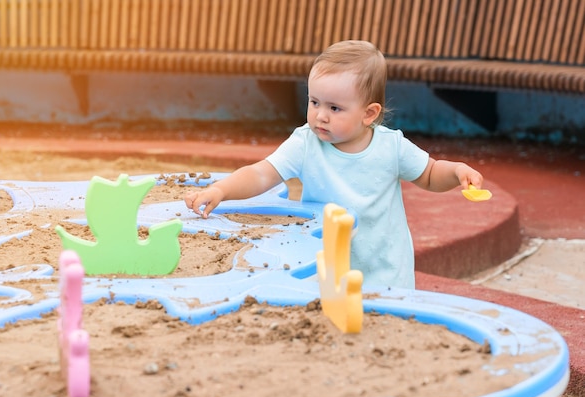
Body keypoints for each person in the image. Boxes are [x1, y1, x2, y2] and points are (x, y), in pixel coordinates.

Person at [184, 40, 485, 289]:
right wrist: (222, 189)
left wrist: (457, 171)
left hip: (384, 269)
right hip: (323, 266)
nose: (320, 115)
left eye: (334, 108)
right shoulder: (305, 143)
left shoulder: (391, 146)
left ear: (369, 114)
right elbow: (262, 173)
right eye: (314, 102)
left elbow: (430, 174)